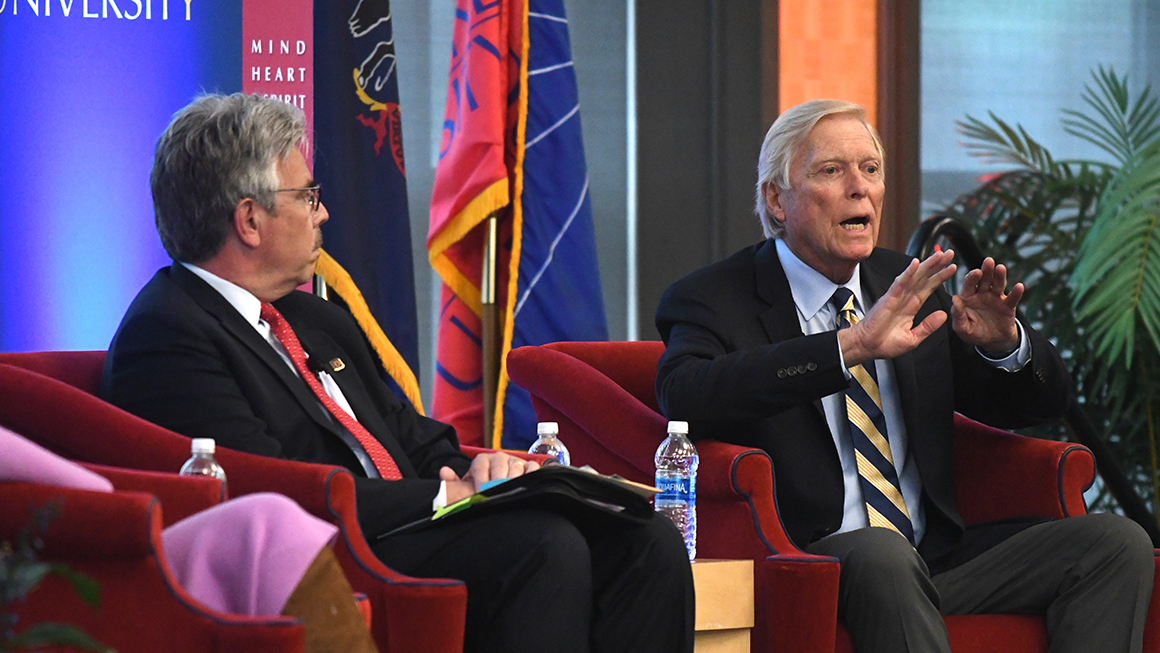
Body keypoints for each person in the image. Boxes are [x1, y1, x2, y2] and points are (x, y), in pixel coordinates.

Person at [101, 92, 694, 653]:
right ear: (250, 220)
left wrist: (477, 469)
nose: (323, 212)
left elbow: (406, 433)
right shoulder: (169, 333)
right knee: (544, 545)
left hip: (406, 521)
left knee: (646, 541)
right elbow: (266, 490)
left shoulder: (314, 316)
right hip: (337, 548)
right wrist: (446, 495)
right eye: (308, 196)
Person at [654, 99, 1154, 652]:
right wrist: (848, 346)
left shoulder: (907, 284)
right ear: (776, 199)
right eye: (831, 171)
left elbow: (1038, 406)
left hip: (933, 557)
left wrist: (1003, 346)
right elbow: (685, 395)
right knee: (878, 551)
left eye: (870, 169)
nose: (859, 187)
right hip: (812, 559)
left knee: (1115, 542)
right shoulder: (714, 298)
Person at [0, 425, 377, 653]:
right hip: (77, 596)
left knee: (263, 523)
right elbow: (90, 490)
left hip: (54, 589)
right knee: (264, 523)